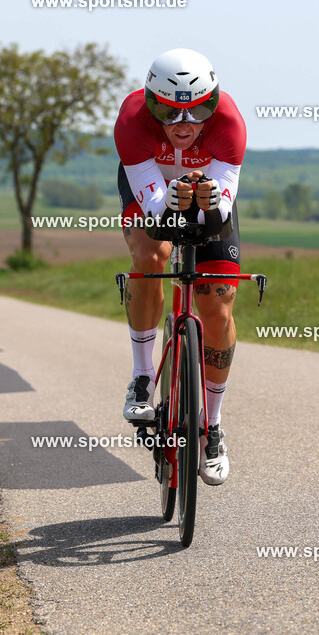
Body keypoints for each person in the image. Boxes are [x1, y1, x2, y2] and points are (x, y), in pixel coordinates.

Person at [113, 48, 246, 485]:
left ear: (214, 101)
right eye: (170, 113)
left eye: (198, 110)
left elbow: (222, 210)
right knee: (152, 256)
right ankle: (141, 375)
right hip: (151, 191)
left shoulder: (228, 122)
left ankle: (213, 425)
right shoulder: (132, 121)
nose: (185, 125)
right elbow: (153, 209)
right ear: (151, 103)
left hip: (206, 198)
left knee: (218, 305)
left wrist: (208, 204)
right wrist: (167, 200)